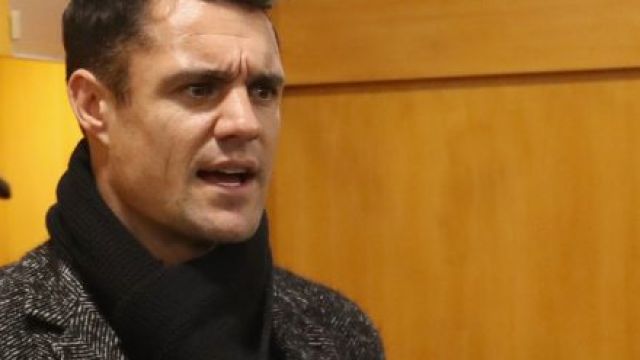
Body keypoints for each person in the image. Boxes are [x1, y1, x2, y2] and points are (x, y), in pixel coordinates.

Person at [0, 0, 384, 358]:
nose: (246, 123)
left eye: (262, 91)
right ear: (93, 106)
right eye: (199, 89)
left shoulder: (338, 331)